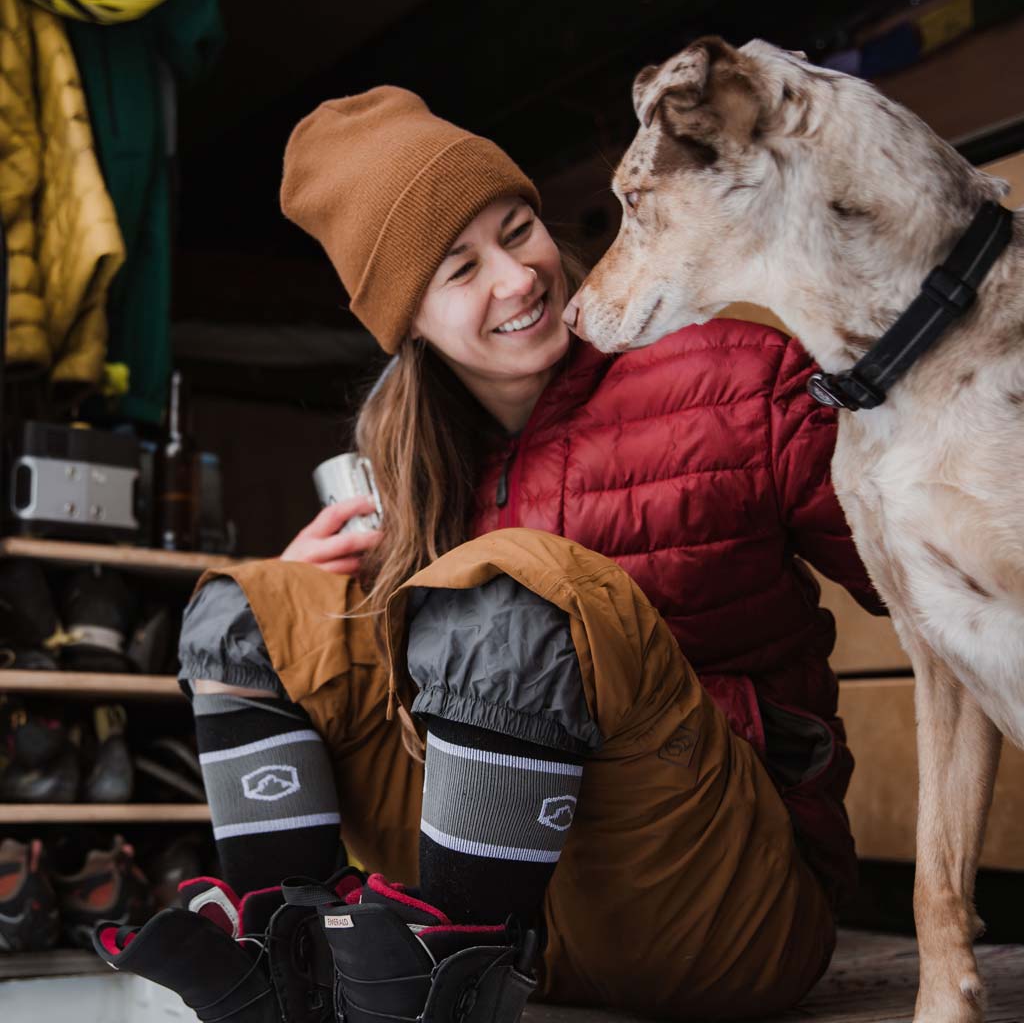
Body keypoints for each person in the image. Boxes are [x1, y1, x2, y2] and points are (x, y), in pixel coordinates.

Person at [95, 87, 884, 1023]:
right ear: (407, 321)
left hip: (713, 901)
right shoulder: (409, 466)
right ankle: (291, 967)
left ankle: (450, 990)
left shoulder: (730, 378)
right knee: (251, 602)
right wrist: (304, 615)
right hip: (521, 914)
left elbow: (941, 576)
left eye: (519, 231)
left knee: (512, 583)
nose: (516, 279)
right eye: (460, 269)